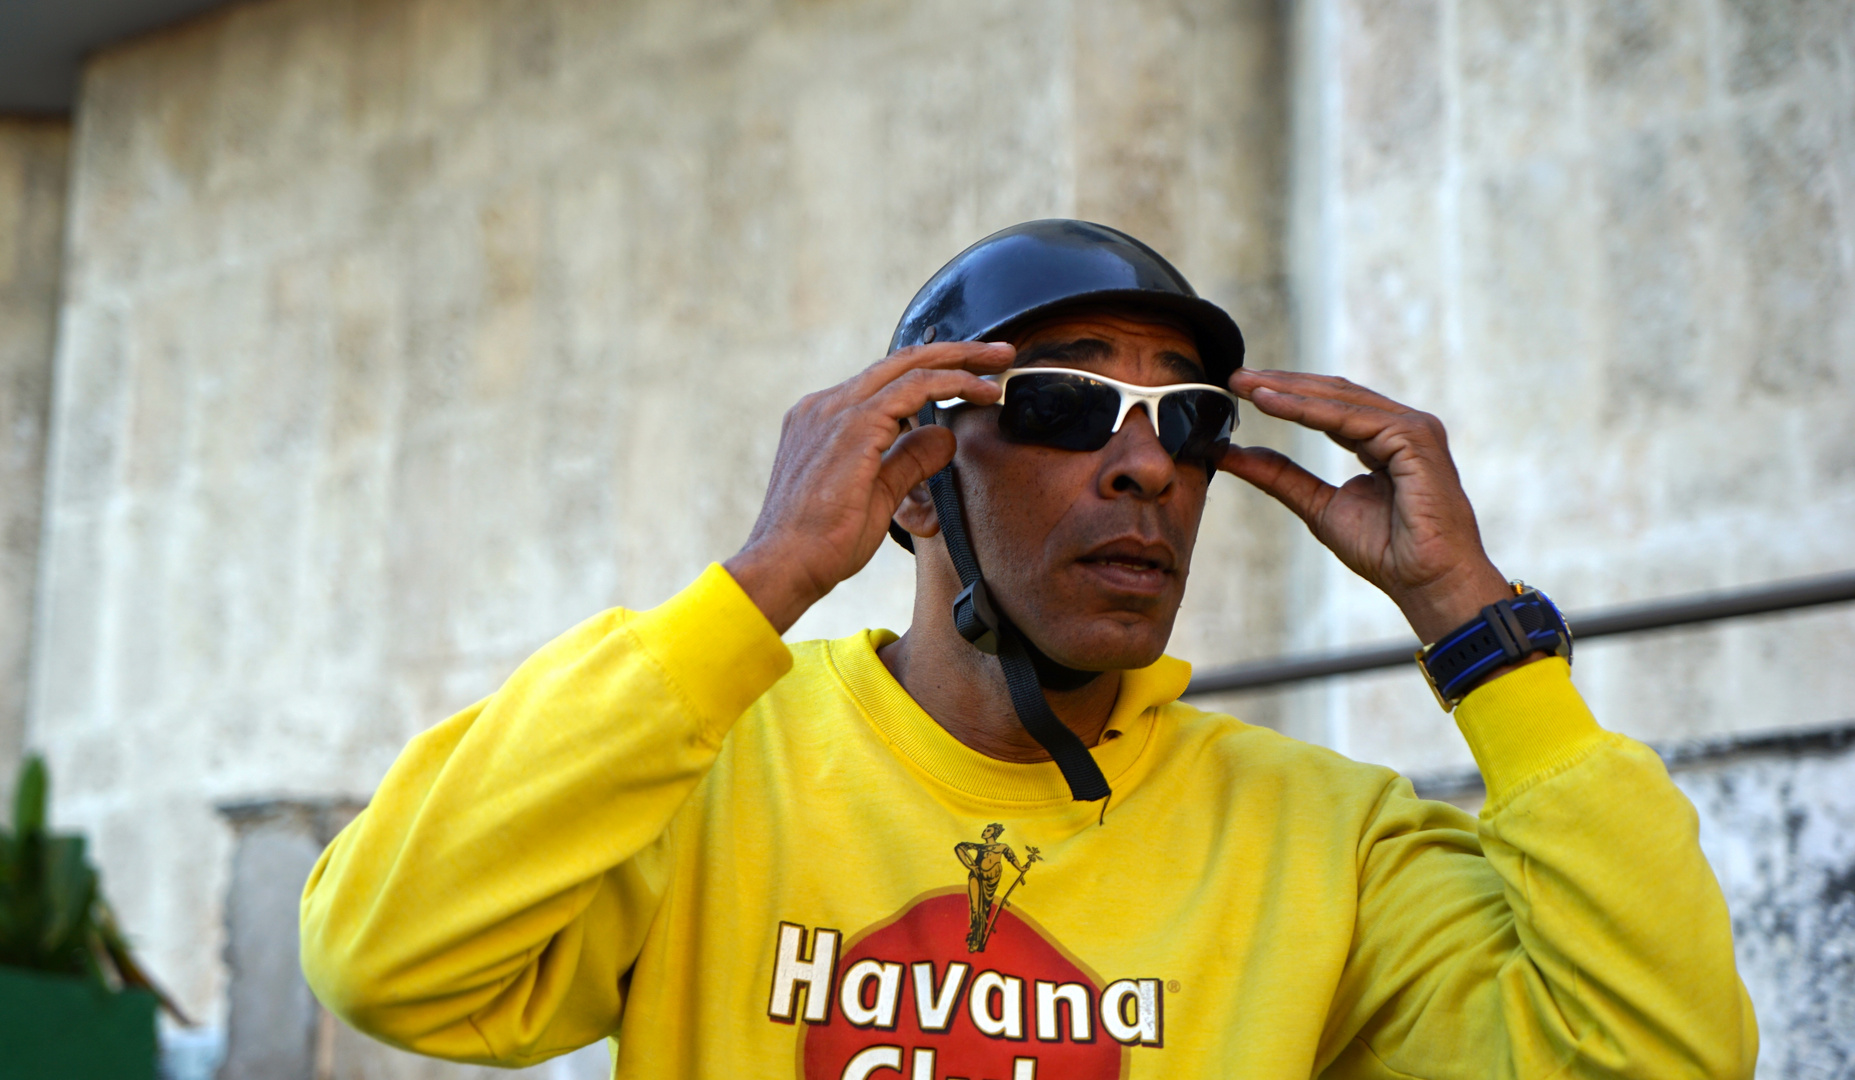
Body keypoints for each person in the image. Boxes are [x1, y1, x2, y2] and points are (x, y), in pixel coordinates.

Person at [301, 220, 1755, 1079]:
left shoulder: (1326, 845)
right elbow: (385, 957)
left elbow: (1660, 1057)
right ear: (910, 477)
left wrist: (1480, 628)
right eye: (1066, 405)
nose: (1145, 469)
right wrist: (757, 587)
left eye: (1187, 421)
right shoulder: (701, 763)